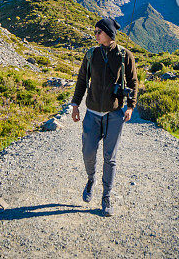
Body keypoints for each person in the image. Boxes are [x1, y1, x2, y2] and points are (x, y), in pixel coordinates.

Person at [70, 17, 138, 216]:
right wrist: (75, 105)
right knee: (88, 152)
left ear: (108, 34)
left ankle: (106, 196)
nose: (95, 35)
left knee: (110, 158)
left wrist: (130, 106)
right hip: (92, 113)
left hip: (114, 115)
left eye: (98, 31)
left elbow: (133, 83)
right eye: (95, 32)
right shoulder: (91, 54)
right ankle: (91, 179)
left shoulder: (125, 55)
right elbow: (82, 80)